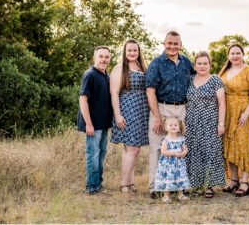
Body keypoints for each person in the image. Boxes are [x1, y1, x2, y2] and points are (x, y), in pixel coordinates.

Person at [145, 31, 194, 199]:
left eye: (176, 43)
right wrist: (157, 117)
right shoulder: (156, 64)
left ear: (181, 44)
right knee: (157, 149)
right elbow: (150, 91)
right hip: (161, 108)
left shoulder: (187, 63)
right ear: (164, 44)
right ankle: (155, 187)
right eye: (169, 43)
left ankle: (179, 185)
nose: (172, 46)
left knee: (180, 147)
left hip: (181, 110)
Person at [219, 44, 249, 197]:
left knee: (243, 146)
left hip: (243, 113)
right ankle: (234, 180)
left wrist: (247, 112)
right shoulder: (224, 72)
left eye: (238, 53)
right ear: (228, 56)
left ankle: (245, 182)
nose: (235, 56)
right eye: (232, 53)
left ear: (243, 54)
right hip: (227, 113)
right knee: (230, 146)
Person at [110, 39, 149, 193]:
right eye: (129, 51)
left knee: (134, 150)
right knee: (131, 149)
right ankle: (123, 184)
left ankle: (131, 182)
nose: (132, 53)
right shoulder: (120, 68)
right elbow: (114, 93)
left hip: (141, 112)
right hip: (127, 111)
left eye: (135, 50)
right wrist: (118, 115)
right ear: (124, 52)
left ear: (139, 52)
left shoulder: (142, 67)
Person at [185, 51, 226, 198]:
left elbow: (222, 103)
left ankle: (209, 186)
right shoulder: (189, 80)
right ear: (195, 65)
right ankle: (196, 185)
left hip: (210, 123)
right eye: (199, 63)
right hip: (192, 122)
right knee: (194, 152)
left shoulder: (215, 80)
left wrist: (221, 124)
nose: (202, 66)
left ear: (210, 65)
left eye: (205, 63)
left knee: (210, 152)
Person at [77, 46, 113, 195]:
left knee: (101, 153)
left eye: (107, 57)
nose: (104, 59)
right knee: (93, 154)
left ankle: (98, 184)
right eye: (101, 56)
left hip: (103, 123)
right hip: (93, 124)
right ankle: (92, 187)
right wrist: (89, 124)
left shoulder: (106, 75)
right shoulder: (90, 75)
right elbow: (83, 100)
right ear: (94, 58)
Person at [154, 117, 190, 203]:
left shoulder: (181, 139)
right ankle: (166, 196)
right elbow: (163, 151)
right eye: (170, 125)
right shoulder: (165, 140)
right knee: (168, 177)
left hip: (179, 164)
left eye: (175, 125)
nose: (173, 126)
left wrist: (183, 153)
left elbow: (185, 149)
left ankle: (180, 195)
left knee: (179, 177)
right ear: (166, 128)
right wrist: (174, 153)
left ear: (179, 127)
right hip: (168, 164)